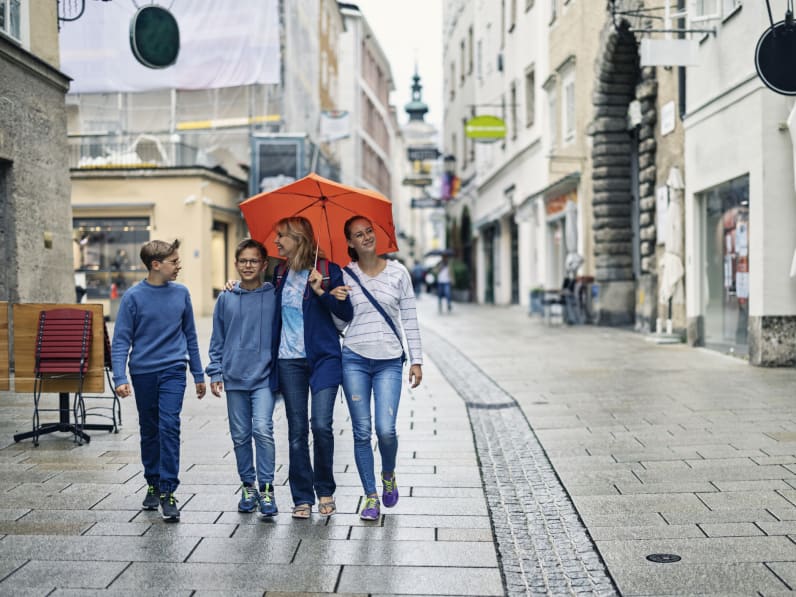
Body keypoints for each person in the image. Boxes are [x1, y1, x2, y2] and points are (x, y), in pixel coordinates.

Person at [111, 239, 206, 522]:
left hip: (174, 370)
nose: (179, 266)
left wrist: (198, 374)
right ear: (156, 265)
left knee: (169, 425)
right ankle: (152, 481)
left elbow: (190, 335)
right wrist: (119, 377)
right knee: (149, 429)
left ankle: (168, 490)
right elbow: (121, 341)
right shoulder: (133, 297)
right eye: (174, 262)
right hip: (142, 373)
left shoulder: (181, 293)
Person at [340, 216, 423, 521]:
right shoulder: (344, 275)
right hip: (354, 359)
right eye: (358, 234)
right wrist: (329, 297)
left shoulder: (399, 273)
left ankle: (388, 473)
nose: (366, 237)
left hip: (389, 360)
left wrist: (416, 360)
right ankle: (370, 496)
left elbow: (410, 319)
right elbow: (340, 322)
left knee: (385, 430)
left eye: (369, 231)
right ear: (349, 242)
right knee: (362, 432)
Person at [271, 216, 353, 519]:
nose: (276, 241)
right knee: (296, 430)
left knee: (320, 425)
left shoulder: (330, 271)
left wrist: (321, 291)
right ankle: (302, 496)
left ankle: (326, 489)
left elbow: (347, 313)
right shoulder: (279, 272)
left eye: (282, 236)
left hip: (325, 358)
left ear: (298, 238)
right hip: (289, 360)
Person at [206, 239, 278, 517]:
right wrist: (215, 370)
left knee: (262, 429)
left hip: (264, 377)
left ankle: (267, 489)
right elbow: (217, 338)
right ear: (235, 264)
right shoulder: (225, 298)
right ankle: (248, 486)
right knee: (240, 435)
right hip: (234, 376)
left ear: (263, 264)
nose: (248, 265)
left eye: (254, 261)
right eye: (243, 261)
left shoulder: (274, 295)